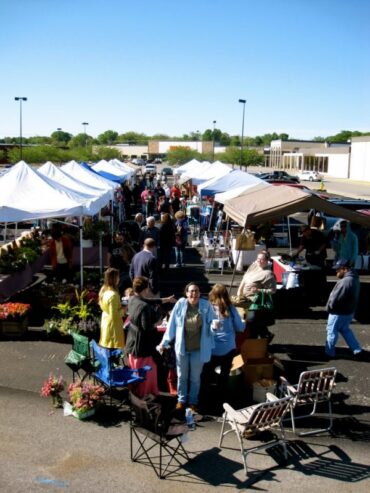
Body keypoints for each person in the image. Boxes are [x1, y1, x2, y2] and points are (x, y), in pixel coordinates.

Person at [159, 282, 215, 413]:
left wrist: (214, 327)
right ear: (186, 293)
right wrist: (164, 342)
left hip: (198, 349)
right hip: (182, 349)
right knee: (182, 376)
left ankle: (193, 402)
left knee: (195, 378)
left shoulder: (206, 306)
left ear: (200, 294)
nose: (193, 294)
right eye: (191, 291)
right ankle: (181, 400)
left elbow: (212, 324)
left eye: (196, 291)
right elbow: (172, 325)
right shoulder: (180, 304)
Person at [201, 284, 244, 412]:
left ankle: (205, 400)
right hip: (228, 348)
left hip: (211, 348)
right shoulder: (230, 309)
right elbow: (240, 328)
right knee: (224, 376)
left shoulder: (206, 308)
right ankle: (222, 402)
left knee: (206, 375)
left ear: (212, 294)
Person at [125, 276, 162, 398]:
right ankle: (145, 393)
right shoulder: (144, 306)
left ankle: (134, 390)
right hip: (142, 344)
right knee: (147, 369)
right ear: (145, 288)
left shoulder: (132, 299)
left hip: (131, 338)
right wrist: (157, 323)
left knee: (133, 366)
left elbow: (145, 301)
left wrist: (163, 300)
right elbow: (147, 328)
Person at [325, 259, 363, 359]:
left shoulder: (345, 282)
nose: (336, 271)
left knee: (332, 331)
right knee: (345, 330)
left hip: (338, 312)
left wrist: (329, 308)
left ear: (345, 269)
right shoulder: (354, 278)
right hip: (349, 311)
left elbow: (335, 299)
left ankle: (329, 353)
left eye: (338, 269)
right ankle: (356, 349)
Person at [236, 251, 277, 339]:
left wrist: (259, 290)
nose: (259, 261)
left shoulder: (268, 274)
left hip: (254, 302)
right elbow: (245, 277)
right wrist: (240, 290)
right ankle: (265, 336)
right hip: (244, 299)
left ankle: (255, 342)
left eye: (261, 259)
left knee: (251, 323)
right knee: (250, 322)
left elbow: (273, 291)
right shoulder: (254, 265)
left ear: (267, 261)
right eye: (258, 258)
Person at [98, 268, 124, 350]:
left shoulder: (104, 290)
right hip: (112, 328)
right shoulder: (113, 295)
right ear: (115, 279)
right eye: (118, 277)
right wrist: (124, 310)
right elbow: (114, 315)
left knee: (107, 350)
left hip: (106, 322)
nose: (119, 278)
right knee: (112, 351)